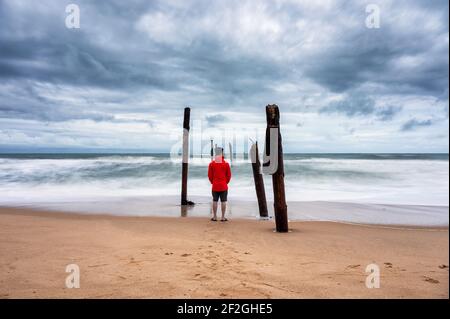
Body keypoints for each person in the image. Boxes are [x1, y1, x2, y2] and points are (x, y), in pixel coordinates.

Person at [208, 148, 231, 222]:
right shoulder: (226, 164)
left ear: (215, 153)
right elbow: (229, 176)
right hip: (223, 185)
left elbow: (209, 175)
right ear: (222, 153)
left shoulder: (212, 164)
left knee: (215, 201)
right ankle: (223, 217)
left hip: (215, 185)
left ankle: (214, 217)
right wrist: (225, 182)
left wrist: (213, 182)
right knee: (223, 201)